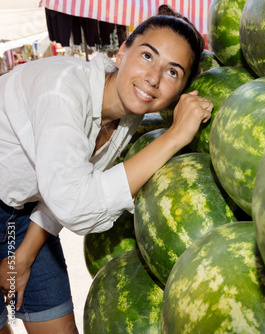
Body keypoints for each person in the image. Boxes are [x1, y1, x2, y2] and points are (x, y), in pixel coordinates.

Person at [0, 5, 212, 333]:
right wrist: (174, 137)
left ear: (179, 94)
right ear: (122, 51)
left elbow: (58, 194)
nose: (153, 78)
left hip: (25, 211)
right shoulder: (63, 88)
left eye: (173, 72)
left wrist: (23, 258)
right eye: (147, 56)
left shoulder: (127, 118)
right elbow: (74, 202)